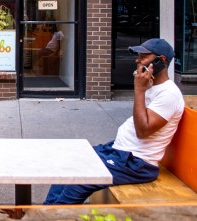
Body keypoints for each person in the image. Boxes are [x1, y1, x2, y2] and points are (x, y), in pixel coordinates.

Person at [44, 38, 185, 204]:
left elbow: (143, 131)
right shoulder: (152, 86)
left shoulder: (169, 94)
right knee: (71, 162)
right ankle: (48, 211)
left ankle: (57, 213)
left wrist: (139, 90)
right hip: (120, 152)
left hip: (136, 163)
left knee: (79, 180)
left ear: (161, 61)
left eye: (143, 57)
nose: (137, 60)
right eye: (138, 56)